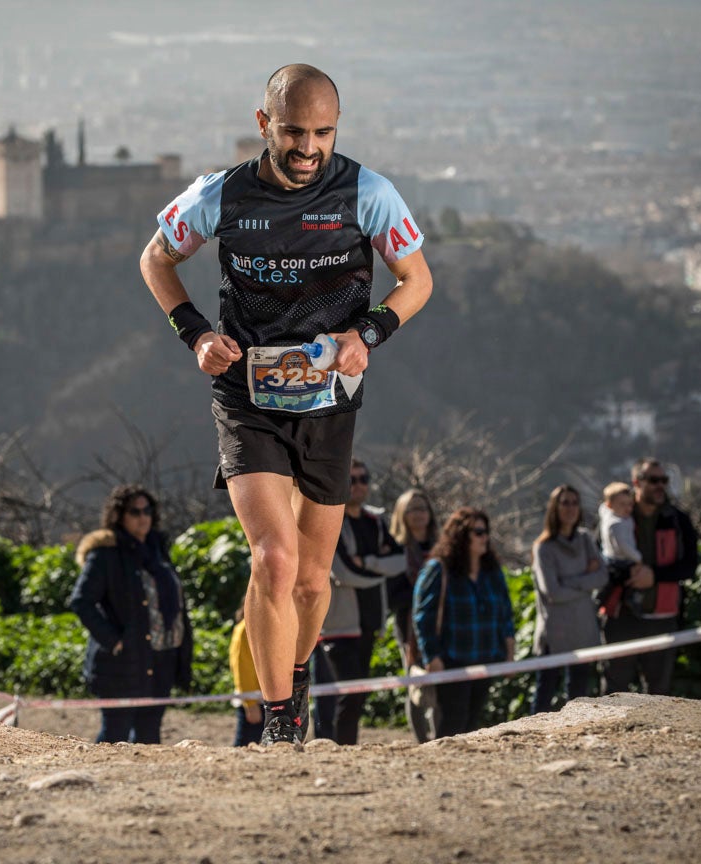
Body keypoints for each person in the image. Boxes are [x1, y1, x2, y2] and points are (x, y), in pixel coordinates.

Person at [138, 63, 433, 747]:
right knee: (272, 559)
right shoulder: (221, 194)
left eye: (323, 133)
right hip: (247, 394)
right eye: (294, 131)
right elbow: (156, 258)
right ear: (264, 123)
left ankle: (295, 674)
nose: (308, 148)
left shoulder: (368, 192)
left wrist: (370, 332)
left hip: (329, 397)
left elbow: (416, 280)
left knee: (310, 578)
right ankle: (279, 722)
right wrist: (196, 334)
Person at [69, 485, 193, 744]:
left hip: (161, 659)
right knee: (115, 736)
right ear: (119, 516)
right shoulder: (106, 553)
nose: (143, 517)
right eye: (134, 511)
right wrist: (114, 641)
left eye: (147, 511)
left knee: (149, 735)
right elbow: (81, 602)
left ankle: (146, 785)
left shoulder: (158, 550)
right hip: (121, 663)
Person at [314, 459, 405, 744]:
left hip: (369, 619)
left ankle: (344, 748)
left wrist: (367, 561)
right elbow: (342, 572)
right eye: (352, 479)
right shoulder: (329, 518)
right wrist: (379, 571)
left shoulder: (374, 521)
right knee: (344, 694)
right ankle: (330, 747)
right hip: (338, 622)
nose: (358, 485)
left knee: (356, 694)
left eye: (363, 478)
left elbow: (401, 560)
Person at [413, 507, 515, 739]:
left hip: (485, 657)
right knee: (452, 721)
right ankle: (440, 765)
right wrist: (432, 657)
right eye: (478, 532)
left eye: (485, 531)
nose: (484, 537)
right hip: (452, 661)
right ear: (460, 536)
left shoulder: (492, 571)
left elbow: (505, 613)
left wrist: (509, 652)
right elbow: (422, 616)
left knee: (472, 721)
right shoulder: (439, 569)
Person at [601, 458, 697, 696]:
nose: (660, 486)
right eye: (653, 480)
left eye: (664, 480)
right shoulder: (616, 516)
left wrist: (654, 576)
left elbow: (690, 566)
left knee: (659, 694)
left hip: (662, 617)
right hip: (621, 616)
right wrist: (628, 574)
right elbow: (600, 560)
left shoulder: (677, 520)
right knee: (614, 692)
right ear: (637, 482)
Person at [530, 485, 608, 714]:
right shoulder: (543, 547)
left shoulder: (585, 539)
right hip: (555, 630)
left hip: (582, 626)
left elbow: (602, 576)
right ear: (554, 507)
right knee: (544, 692)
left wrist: (570, 582)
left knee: (579, 692)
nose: (570, 508)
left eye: (574, 502)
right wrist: (586, 581)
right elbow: (552, 592)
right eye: (565, 502)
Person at [388, 487, 439, 741]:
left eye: (422, 508)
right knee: (415, 679)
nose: (419, 514)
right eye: (412, 509)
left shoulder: (441, 546)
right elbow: (392, 594)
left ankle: (441, 733)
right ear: (401, 515)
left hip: (441, 620)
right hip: (408, 623)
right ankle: (422, 739)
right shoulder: (396, 549)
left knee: (440, 677)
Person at [598, 481, 647, 617]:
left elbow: (602, 508)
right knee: (625, 584)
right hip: (619, 560)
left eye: (629, 504)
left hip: (614, 557)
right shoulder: (616, 525)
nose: (627, 508)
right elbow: (624, 546)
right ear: (610, 505)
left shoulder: (611, 514)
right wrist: (639, 558)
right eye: (622, 504)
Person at [229, 608, 264, 746]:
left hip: (272, 700)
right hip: (256, 702)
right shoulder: (245, 628)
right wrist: (250, 703)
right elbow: (242, 668)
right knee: (243, 749)